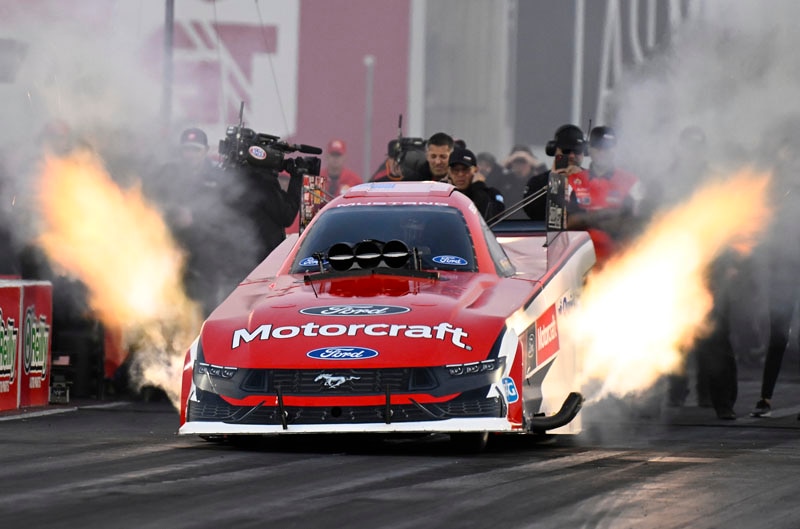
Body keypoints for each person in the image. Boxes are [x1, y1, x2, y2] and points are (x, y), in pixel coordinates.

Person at [750, 117, 800, 418]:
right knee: (778, 333)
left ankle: (766, 397)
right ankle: (766, 397)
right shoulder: (776, 183)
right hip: (783, 263)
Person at [564, 126, 643, 266]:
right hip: (579, 262)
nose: (602, 152)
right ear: (590, 149)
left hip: (619, 261)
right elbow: (562, 224)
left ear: (615, 150)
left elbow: (638, 224)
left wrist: (585, 218)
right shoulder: (572, 180)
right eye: (598, 147)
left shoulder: (632, 182)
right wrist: (607, 215)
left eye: (607, 147)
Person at [523, 124, 587, 221]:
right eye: (566, 150)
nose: (572, 156)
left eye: (577, 151)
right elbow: (533, 212)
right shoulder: (538, 183)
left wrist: (583, 182)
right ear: (554, 150)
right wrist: (555, 182)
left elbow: (598, 212)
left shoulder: (594, 180)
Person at [444, 147, 504, 221]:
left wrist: (478, 187)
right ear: (449, 171)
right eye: (455, 170)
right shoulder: (443, 195)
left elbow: (489, 220)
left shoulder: (491, 194)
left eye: (465, 169)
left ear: (475, 170)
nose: (460, 174)